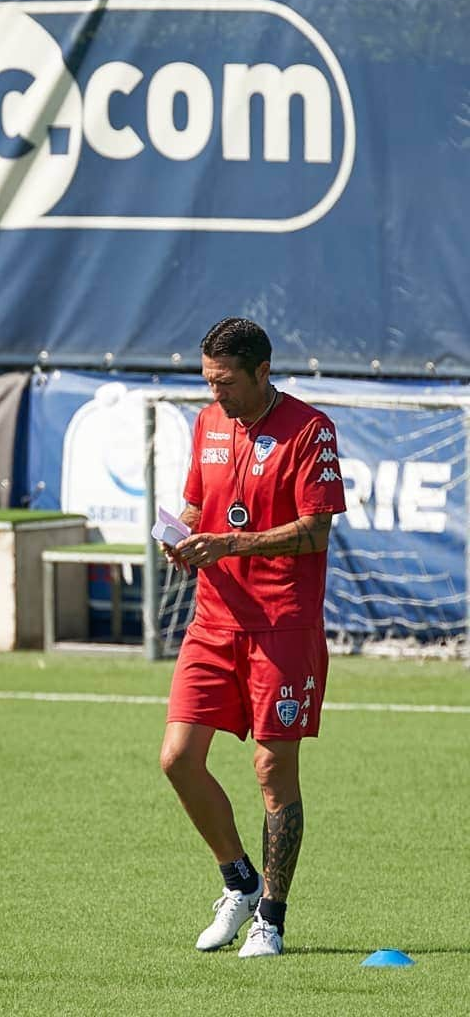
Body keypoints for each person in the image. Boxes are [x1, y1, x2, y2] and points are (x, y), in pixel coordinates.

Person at [158, 317, 346, 958]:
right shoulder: (207, 425)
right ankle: (238, 882)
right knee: (178, 759)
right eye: (208, 382)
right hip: (213, 620)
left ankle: (271, 916)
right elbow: (194, 506)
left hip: (282, 624)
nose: (216, 395)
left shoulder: (310, 429)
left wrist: (234, 543)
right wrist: (181, 538)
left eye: (226, 382)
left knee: (272, 769)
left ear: (262, 371)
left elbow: (317, 531)